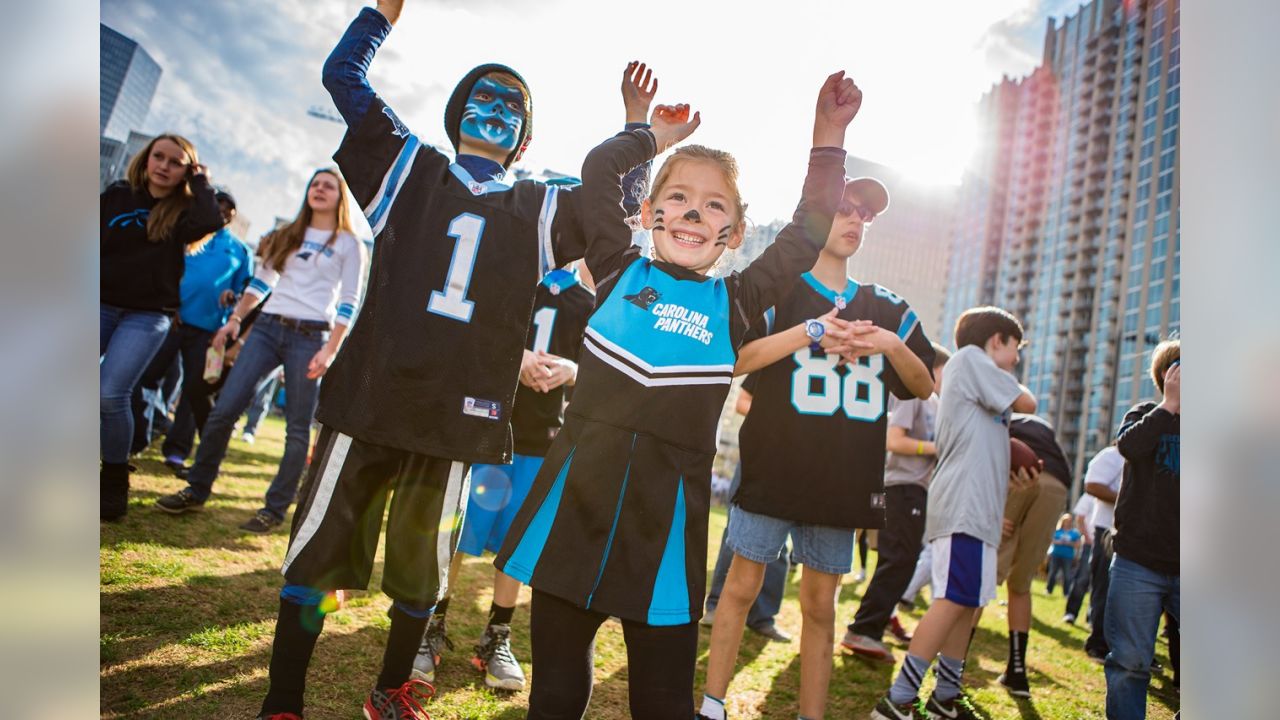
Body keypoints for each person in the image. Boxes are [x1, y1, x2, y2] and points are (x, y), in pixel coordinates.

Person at [250, 2, 630, 716]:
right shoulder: (409, 167)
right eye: (482, 95)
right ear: (456, 114)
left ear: (523, 136)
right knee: (317, 558)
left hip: (459, 414)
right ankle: (283, 696)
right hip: (373, 395)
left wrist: (641, 133)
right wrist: (378, 14)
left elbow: (614, 207)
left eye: (511, 105)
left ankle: (392, 688)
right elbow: (344, 77)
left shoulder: (538, 208)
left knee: (423, 574)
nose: (495, 108)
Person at [495, 72, 860, 720]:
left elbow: (807, 231)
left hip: (664, 534)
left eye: (716, 205)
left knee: (662, 704)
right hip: (574, 510)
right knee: (553, 697)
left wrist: (828, 135)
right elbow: (598, 168)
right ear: (648, 215)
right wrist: (654, 135)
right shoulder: (616, 270)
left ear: (737, 231)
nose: (695, 212)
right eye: (680, 197)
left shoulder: (738, 302)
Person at [703, 169, 935, 720]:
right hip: (775, 467)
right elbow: (731, 361)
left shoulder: (888, 307)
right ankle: (712, 706)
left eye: (865, 214)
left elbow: (923, 383)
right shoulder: (781, 292)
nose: (856, 220)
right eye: (845, 208)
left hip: (844, 479)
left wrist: (884, 342)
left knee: (819, 606)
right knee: (739, 587)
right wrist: (810, 333)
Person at [155, 166, 368, 534]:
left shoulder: (349, 244)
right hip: (267, 329)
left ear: (340, 197)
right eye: (314, 183)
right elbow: (261, 282)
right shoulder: (288, 235)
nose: (319, 189)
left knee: (298, 429)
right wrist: (235, 320)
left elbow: (349, 301)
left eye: (328, 185)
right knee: (223, 411)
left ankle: (274, 508)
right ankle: (197, 488)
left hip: (311, 337)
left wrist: (331, 350)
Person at [418, 259, 597, 693]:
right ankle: (431, 624)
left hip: (540, 438)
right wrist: (514, 359)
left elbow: (601, 366)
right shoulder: (510, 276)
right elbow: (471, 331)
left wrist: (573, 371)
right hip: (486, 425)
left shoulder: (586, 301)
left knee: (517, 543)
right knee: (459, 533)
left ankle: (497, 634)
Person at [871, 306, 1036, 720]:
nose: (1016, 358)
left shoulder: (975, 375)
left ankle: (945, 695)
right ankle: (899, 697)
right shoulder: (971, 359)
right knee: (950, 600)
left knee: (965, 603)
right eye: (1015, 347)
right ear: (996, 340)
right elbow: (1027, 401)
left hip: (977, 508)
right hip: (963, 506)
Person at [100, 133, 222, 520]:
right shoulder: (117, 194)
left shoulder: (185, 212)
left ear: (186, 169)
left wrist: (200, 180)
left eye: (175, 161)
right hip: (98, 303)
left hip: (147, 315)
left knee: (109, 395)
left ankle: (115, 475)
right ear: (147, 158)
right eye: (159, 157)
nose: (164, 166)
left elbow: (212, 219)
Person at [129, 190, 255, 473]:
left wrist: (232, 297)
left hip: (209, 332)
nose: (222, 211)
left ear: (233, 215)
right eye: (217, 205)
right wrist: (168, 305)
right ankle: (136, 440)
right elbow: (164, 271)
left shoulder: (239, 250)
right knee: (144, 378)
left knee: (192, 392)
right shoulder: (185, 237)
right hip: (169, 321)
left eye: (228, 208)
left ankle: (176, 451)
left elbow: (247, 291)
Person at [843, 343, 950, 663]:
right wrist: (936, 448)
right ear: (933, 368)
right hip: (900, 487)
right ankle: (864, 628)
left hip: (917, 490)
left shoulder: (935, 403)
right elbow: (895, 440)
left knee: (902, 560)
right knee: (897, 559)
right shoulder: (913, 395)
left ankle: (875, 624)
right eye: (947, 373)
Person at [1104, 340, 1180, 720]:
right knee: (1130, 662)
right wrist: (1170, 405)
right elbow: (1129, 447)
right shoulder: (1146, 413)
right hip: (1138, 561)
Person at [989, 411, 1072, 698]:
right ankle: (1017, 671)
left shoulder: (1003, 413)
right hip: (1058, 484)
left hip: (1020, 474)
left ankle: (954, 663)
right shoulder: (1042, 426)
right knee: (1021, 584)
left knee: (985, 576)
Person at [701, 384, 793, 644]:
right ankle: (716, 605)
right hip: (759, 457)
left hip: (799, 463)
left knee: (780, 545)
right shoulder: (776, 347)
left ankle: (762, 618)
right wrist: (786, 421)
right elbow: (742, 402)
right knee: (738, 533)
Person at [1082, 441, 1125, 661]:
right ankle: (1097, 643)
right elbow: (1092, 485)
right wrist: (1131, 499)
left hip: (1136, 533)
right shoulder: (1111, 456)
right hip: (1108, 529)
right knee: (1104, 587)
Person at [1063, 492, 1096, 623]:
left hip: (1108, 546)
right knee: (1082, 579)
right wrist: (1087, 538)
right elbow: (1080, 517)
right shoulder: (1090, 494)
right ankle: (1071, 612)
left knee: (1100, 584)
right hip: (1089, 544)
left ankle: (1092, 618)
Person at [1045, 513, 1082, 595]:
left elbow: (1078, 545)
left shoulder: (1074, 533)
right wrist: (1058, 542)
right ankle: (1048, 590)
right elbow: (1051, 540)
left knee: (1067, 575)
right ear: (1062, 521)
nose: (1067, 522)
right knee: (1052, 573)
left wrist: (1069, 543)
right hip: (1056, 554)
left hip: (1068, 556)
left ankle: (1066, 593)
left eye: (1069, 521)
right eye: (1066, 521)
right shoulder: (1057, 531)